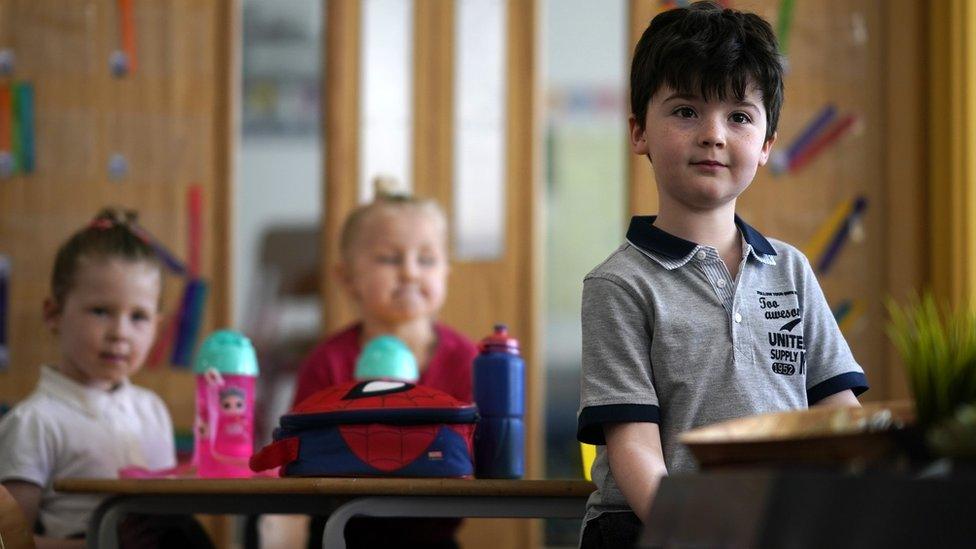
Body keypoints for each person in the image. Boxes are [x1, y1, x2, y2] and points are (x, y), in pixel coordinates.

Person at [576, 3, 869, 547]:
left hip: (776, 525)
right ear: (639, 131)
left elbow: (838, 413)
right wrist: (689, 528)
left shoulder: (792, 270)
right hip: (651, 525)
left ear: (765, 147)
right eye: (686, 111)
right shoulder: (618, 285)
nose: (713, 134)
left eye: (738, 116)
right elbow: (634, 445)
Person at [0, 209, 211, 549]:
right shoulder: (34, 422)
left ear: (157, 326)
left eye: (138, 316)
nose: (120, 333)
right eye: (100, 311)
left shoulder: (152, 410)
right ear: (54, 314)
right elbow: (11, 542)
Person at [294, 178, 477, 549]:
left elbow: (482, 456)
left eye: (426, 259)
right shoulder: (328, 362)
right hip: (339, 533)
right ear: (346, 277)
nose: (410, 271)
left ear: (446, 272)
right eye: (389, 258)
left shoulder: (467, 360)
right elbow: (300, 457)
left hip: (433, 537)